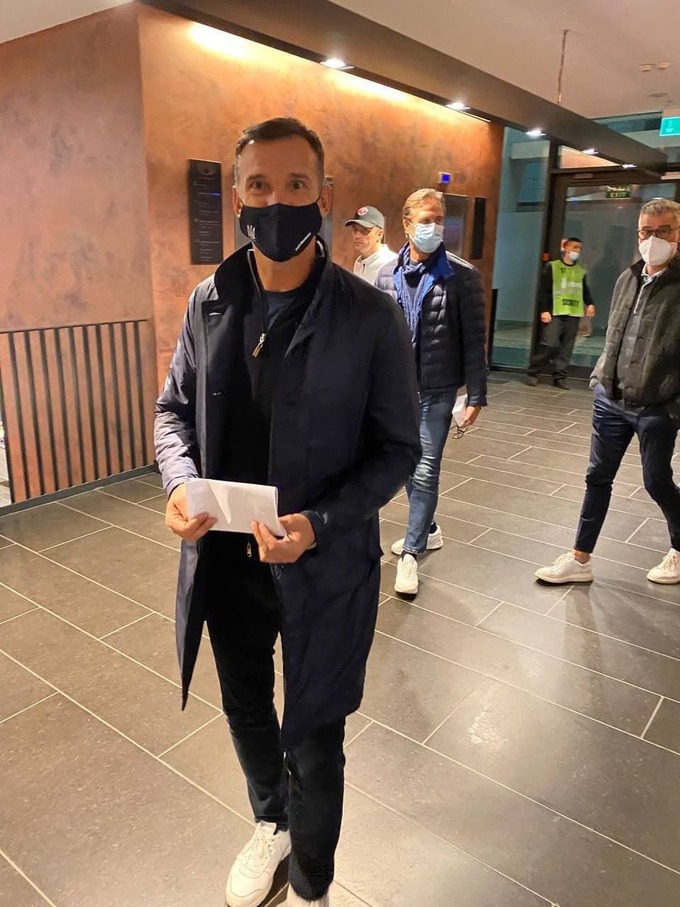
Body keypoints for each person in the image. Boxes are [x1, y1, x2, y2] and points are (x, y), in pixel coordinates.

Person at [155, 117, 420, 907]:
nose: (278, 202)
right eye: (260, 185)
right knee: (243, 704)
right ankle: (270, 819)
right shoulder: (209, 302)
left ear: (323, 196)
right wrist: (178, 482)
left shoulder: (369, 317)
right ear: (238, 198)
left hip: (323, 568)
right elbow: (172, 411)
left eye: (296, 185)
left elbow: (397, 449)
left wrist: (320, 524)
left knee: (315, 730)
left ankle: (311, 880)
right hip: (226, 558)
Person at [536, 198, 680, 586]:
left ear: (678, 234)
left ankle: (679, 547)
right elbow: (615, 333)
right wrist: (601, 380)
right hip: (611, 399)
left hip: (657, 405)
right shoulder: (627, 278)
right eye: (646, 231)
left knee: (656, 481)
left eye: (663, 231)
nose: (653, 239)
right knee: (597, 477)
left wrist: (673, 406)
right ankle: (580, 559)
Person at [375, 188, 488, 597]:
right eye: (426, 220)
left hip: (437, 390)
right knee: (405, 466)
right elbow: (377, 336)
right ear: (406, 225)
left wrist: (476, 395)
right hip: (396, 391)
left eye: (439, 219)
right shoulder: (386, 275)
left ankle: (412, 552)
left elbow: (474, 339)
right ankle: (430, 528)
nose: (434, 227)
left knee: (424, 470)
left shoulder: (462, 276)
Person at [526, 237, 596, 389]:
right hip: (555, 311)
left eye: (579, 248)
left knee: (566, 347)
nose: (577, 251)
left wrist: (590, 303)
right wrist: (544, 310)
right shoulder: (553, 267)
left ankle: (559, 377)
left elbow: (584, 289)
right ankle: (533, 372)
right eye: (575, 247)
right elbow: (544, 291)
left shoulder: (580, 270)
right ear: (566, 247)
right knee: (549, 344)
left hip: (573, 312)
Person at [345, 205, 397, 284]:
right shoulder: (358, 264)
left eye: (364, 230)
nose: (357, 236)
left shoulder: (392, 263)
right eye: (355, 230)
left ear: (380, 234)